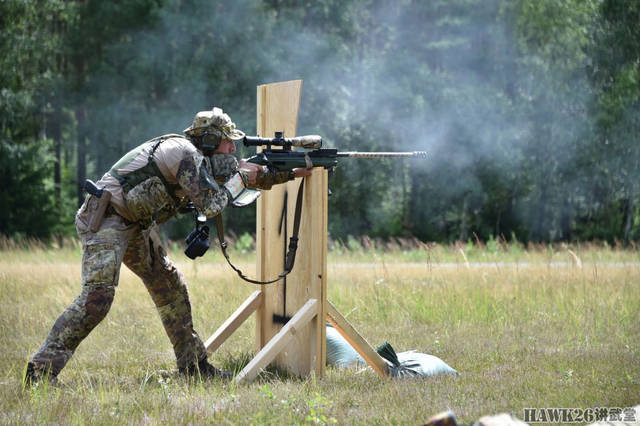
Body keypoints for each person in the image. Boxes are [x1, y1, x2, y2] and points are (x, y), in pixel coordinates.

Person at [25, 107, 312, 385]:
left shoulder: (201, 159)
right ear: (210, 140)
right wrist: (241, 178)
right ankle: (40, 371)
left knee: (170, 286)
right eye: (228, 143)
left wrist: (289, 172)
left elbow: (241, 177)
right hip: (106, 218)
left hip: (134, 223)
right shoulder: (184, 154)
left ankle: (193, 367)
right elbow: (213, 203)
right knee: (97, 299)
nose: (233, 150)